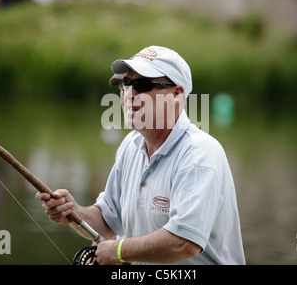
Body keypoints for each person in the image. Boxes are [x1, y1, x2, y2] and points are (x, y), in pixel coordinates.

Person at [36, 45, 245, 265]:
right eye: (126, 83)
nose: (130, 94)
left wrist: (119, 251)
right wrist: (72, 211)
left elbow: (185, 242)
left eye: (143, 85)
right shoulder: (130, 146)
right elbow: (107, 222)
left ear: (176, 94)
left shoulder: (200, 154)